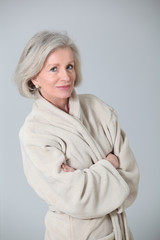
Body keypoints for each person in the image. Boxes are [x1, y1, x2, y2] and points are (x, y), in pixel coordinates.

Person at [14, 31, 139, 240]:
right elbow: (77, 198)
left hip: (121, 232)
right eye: (54, 69)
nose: (66, 77)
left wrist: (86, 176)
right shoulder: (34, 133)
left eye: (69, 66)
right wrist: (109, 164)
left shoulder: (98, 108)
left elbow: (131, 179)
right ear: (34, 77)